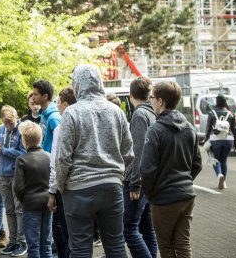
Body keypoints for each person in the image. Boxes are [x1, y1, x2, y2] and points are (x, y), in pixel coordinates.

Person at [56, 64, 134, 257]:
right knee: (115, 244)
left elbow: (62, 157)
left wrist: (61, 185)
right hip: (112, 187)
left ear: (76, 84)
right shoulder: (116, 112)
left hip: (78, 189)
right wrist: (117, 175)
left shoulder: (72, 113)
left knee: (80, 247)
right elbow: (129, 152)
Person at [140, 81, 202, 258]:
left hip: (164, 198)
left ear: (160, 101)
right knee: (183, 244)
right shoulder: (190, 128)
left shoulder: (156, 130)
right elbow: (197, 164)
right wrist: (184, 182)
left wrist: (151, 193)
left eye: (152, 98)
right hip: (187, 195)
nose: (150, 101)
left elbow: (147, 169)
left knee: (166, 246)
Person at [123, 77, 158, 258]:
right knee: (147, 228)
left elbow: (138, 150)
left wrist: (135, 183)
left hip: (137, 181)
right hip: (150, 179)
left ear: (131, 96)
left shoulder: (139, 115)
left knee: (128, 228)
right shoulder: (153, 113)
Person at [0, 105, 27, 256]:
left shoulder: (21, 130)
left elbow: (23, 152)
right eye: (6, 123)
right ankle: (12, 241)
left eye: (11, 123)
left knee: (19, 209)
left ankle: (22, 241)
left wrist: (4, 151)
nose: (8, 126)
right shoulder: (0, 129)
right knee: (9, 210)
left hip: (16, 175)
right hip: (3, 175)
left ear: (16, 118)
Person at [14, 121, 52, 258]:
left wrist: (24, 200)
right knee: (46, 243)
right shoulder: (49, 156)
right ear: (41, 138)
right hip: (48, 203)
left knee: (33, 246)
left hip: (30, 205)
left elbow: (18, 187)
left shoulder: (21, 160)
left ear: (24, 140)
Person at [47, 87, 75, 258]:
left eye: (57, 103)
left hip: (64, 187)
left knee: (64, 230)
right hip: (82, 186)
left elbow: (57, 162)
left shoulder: (62, 126)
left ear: (65, 104)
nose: (56, 106)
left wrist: (52, 190)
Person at [204, 94, 236, 190]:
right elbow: (234, 129)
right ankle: (224, 182)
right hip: (229, 139)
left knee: (215, 159)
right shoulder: (230, 113)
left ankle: (219, 175)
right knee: (224, 160)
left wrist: (206, 140)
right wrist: (235, 143)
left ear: (217, 102)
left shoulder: (212, 113)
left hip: (216, 140)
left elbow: (208, 128)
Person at [31, 79, 61, 153]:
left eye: (36, 94)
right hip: (43, 158)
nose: (32, 98)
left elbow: (60, 144)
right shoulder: (43, 114)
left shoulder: (54, 118)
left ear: (45, 96)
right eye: (32, 94)